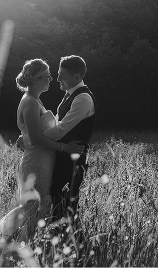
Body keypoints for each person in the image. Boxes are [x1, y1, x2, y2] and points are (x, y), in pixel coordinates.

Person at [0, 58, 84, 252]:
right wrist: (67, 148)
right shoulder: (30, 102)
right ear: (35, 79)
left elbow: (31, 135)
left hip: (43, 160)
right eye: (47, 76)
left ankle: (18, 247)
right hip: (36, 161)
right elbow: (37, 139)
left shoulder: (35, 100)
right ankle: (9, 247)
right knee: (33, 207)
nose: (51, 79)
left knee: (36, 207)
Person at [43, 55, 97, 226]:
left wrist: (33, 138)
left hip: (73, 158)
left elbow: (61, 129)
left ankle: (69, 243)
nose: (57, 78)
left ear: (77, 76)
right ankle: (57, 241)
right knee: (56, 196)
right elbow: (58, 124)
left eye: (62, 75)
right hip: (63, 153)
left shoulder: (83, 98)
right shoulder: (69, 95)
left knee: (65, 203)